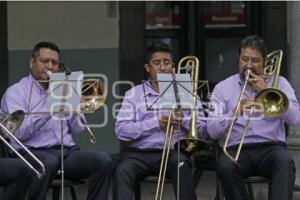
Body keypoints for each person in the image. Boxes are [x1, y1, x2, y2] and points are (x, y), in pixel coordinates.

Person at [0, 41, 112, 200]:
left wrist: (72, 102)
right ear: (32, 63)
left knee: (103, 161)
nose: (50, 66)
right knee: (48, 163)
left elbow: (78, 129)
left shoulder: (63, 88)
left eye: (54, 62)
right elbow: (19, 133)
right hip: (31, 152)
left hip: (66, 153)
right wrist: (51, 106)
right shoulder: (16, 92)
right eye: (45, 61)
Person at [207, 35, 300, 200]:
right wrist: (233, 114)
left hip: (271, 148)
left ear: (265, 61)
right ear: (238, 59)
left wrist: (268, 92)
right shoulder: (223, 88)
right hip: (236, 149)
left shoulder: (280, 83)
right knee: (225, 166)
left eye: (255, 60)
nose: (249, 65)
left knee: (285, 162)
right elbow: (212, 131)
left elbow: (295, 118)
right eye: (244, 59)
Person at [113, 41, 207, 200]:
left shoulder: (187, 92)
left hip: (175, 152)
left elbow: (204, 130)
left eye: (167, 62)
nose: (163, 67)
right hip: (139, 153)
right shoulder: (133, 94)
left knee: (181, 164)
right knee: (122, 170)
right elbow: (121, 131)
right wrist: (156, 123)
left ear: (173, 66)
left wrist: (183, 119)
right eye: (157, 63)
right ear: (147, 68)